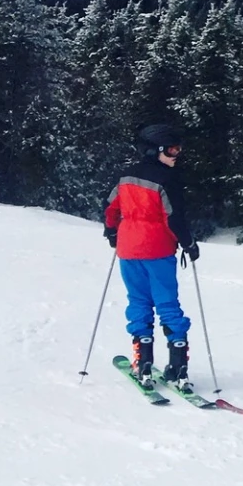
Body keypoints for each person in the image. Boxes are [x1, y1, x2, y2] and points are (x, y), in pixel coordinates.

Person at [103, 123, 200, 386]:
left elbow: (110, 207)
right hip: (157, 249)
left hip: (128, 248)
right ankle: (178, 367)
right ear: (153, 150)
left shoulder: (125, 177)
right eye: (171, 150)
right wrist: (189, 243)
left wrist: (111, 232)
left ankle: (142, 362)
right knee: (167, 304)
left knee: (138, 302)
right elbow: (174, 218)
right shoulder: (167, 180)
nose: (175, 155)